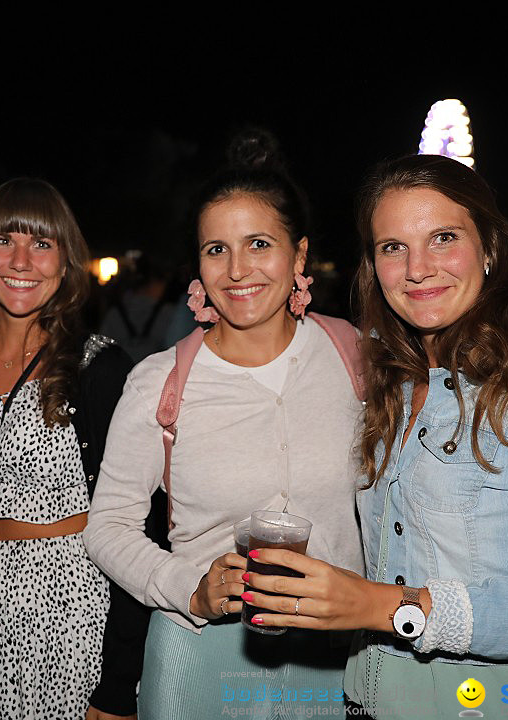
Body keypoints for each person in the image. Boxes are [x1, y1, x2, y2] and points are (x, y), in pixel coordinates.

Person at [240, 155, 508, 716]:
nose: (417, 268)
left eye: (443, 238)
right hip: (373, 698)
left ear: (490, 248)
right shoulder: (390, 385)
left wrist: (389, 608)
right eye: (392, 247)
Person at [84, 131, 364, 719]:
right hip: (200, 656)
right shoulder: (159, 382)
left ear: (300, 255)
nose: (237, 270)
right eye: (216, 249)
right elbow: (107, 526)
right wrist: (187, 585)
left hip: (337, 661)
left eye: (259, 243)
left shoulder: (354, 357)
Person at [0, 178, 138, 720]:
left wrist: (115, 690)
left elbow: (138, 526)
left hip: (66, 614)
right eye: (3, 241)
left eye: (41, 244)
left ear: (66, 263)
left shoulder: (99, 369)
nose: (21, 261)